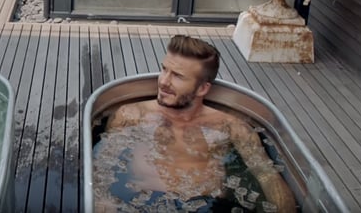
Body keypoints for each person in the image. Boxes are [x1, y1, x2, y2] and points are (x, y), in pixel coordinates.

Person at [94, 35, 296, 212]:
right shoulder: (132, 115)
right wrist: (102, 201)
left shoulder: (231, 126)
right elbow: (102, 165)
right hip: (143, 204)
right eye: (164, 69)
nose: (164, 81)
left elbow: (268, 177)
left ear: (202, 89)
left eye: (178, 76)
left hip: (207, 206)